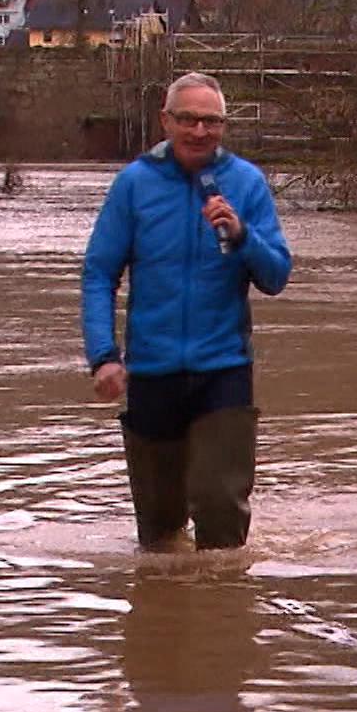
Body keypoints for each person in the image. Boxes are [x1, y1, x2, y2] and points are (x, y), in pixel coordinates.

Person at [82, 71, 292, 551]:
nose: (200, 132)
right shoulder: (134, 185)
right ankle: (167, 621)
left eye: (211, 122)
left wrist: (242, 235)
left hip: (224, 370)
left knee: (220, 510)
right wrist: (103, 355)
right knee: (159, 533)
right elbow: (98, 274)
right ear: (166, 121)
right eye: (189, 120)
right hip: (152, 372)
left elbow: (276, 276)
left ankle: (223, 617)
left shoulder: (246, 183)